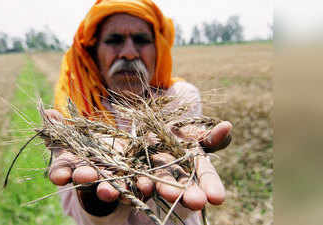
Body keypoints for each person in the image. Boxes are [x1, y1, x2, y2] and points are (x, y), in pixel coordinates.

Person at [44, 0, 232, 224]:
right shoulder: (77, 108)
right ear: (94, 53)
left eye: (141, 40)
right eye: (114, 40)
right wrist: (96, 199)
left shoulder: (180, 96)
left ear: (158, 49)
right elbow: (77, 212)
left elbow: (185, 204)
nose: (129, 53)